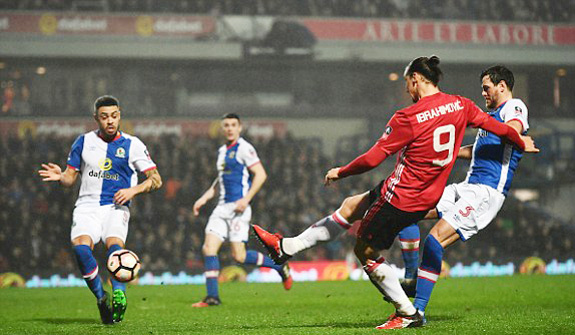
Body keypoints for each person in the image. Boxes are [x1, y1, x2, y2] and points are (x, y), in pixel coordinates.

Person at [254, 55, 538, 329]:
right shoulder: (461, 105)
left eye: (407, 84)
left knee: (365, 250)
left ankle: (409, 311)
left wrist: (341, 171)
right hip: (435, 191)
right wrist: (519, 141)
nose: (407, 91)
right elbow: (500, 131)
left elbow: (373, 158)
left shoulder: (409, 116)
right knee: (352, 204)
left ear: (416, 79)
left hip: (406, 195)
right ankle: (285, 247)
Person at [409, 65, 531, 327]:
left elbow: (514, 128)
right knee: (409, 210)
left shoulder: (514, 106)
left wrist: (520, 138)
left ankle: (416, 311)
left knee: (434, 241)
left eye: (486, 88)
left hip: (486, 193)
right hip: (466, 187)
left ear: (502, 86)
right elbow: (475, 149)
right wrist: (440, 154)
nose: (483, 93)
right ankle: (410, 280)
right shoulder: (491, 117)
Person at [38, 95, 162, 324]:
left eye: (114, 116)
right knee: (81, 248)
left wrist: (133, 191)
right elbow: (69, 178)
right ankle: (101, 297)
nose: (110, 121)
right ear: (96, 118)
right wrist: (60, 177)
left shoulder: (133, 145)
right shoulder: (83, 142)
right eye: (104, 117)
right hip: (87, 206)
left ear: (120, 115)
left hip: (116, 207)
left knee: (115, 248)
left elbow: (156, 180)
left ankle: (119, 295)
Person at [191, 113, 292, 308]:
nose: (229, 128)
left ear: (240, 128)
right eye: (226, 125)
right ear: (222, 129)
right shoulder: (222, 151)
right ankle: (212, 297)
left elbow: (261, 174)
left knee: (240, 256)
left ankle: (278, 265)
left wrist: (246, 199)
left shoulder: (245, 148)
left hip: (238, 208)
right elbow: (220, 180)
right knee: (208, 249)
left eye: (233, 125)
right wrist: (204, 198)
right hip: (221, 208)